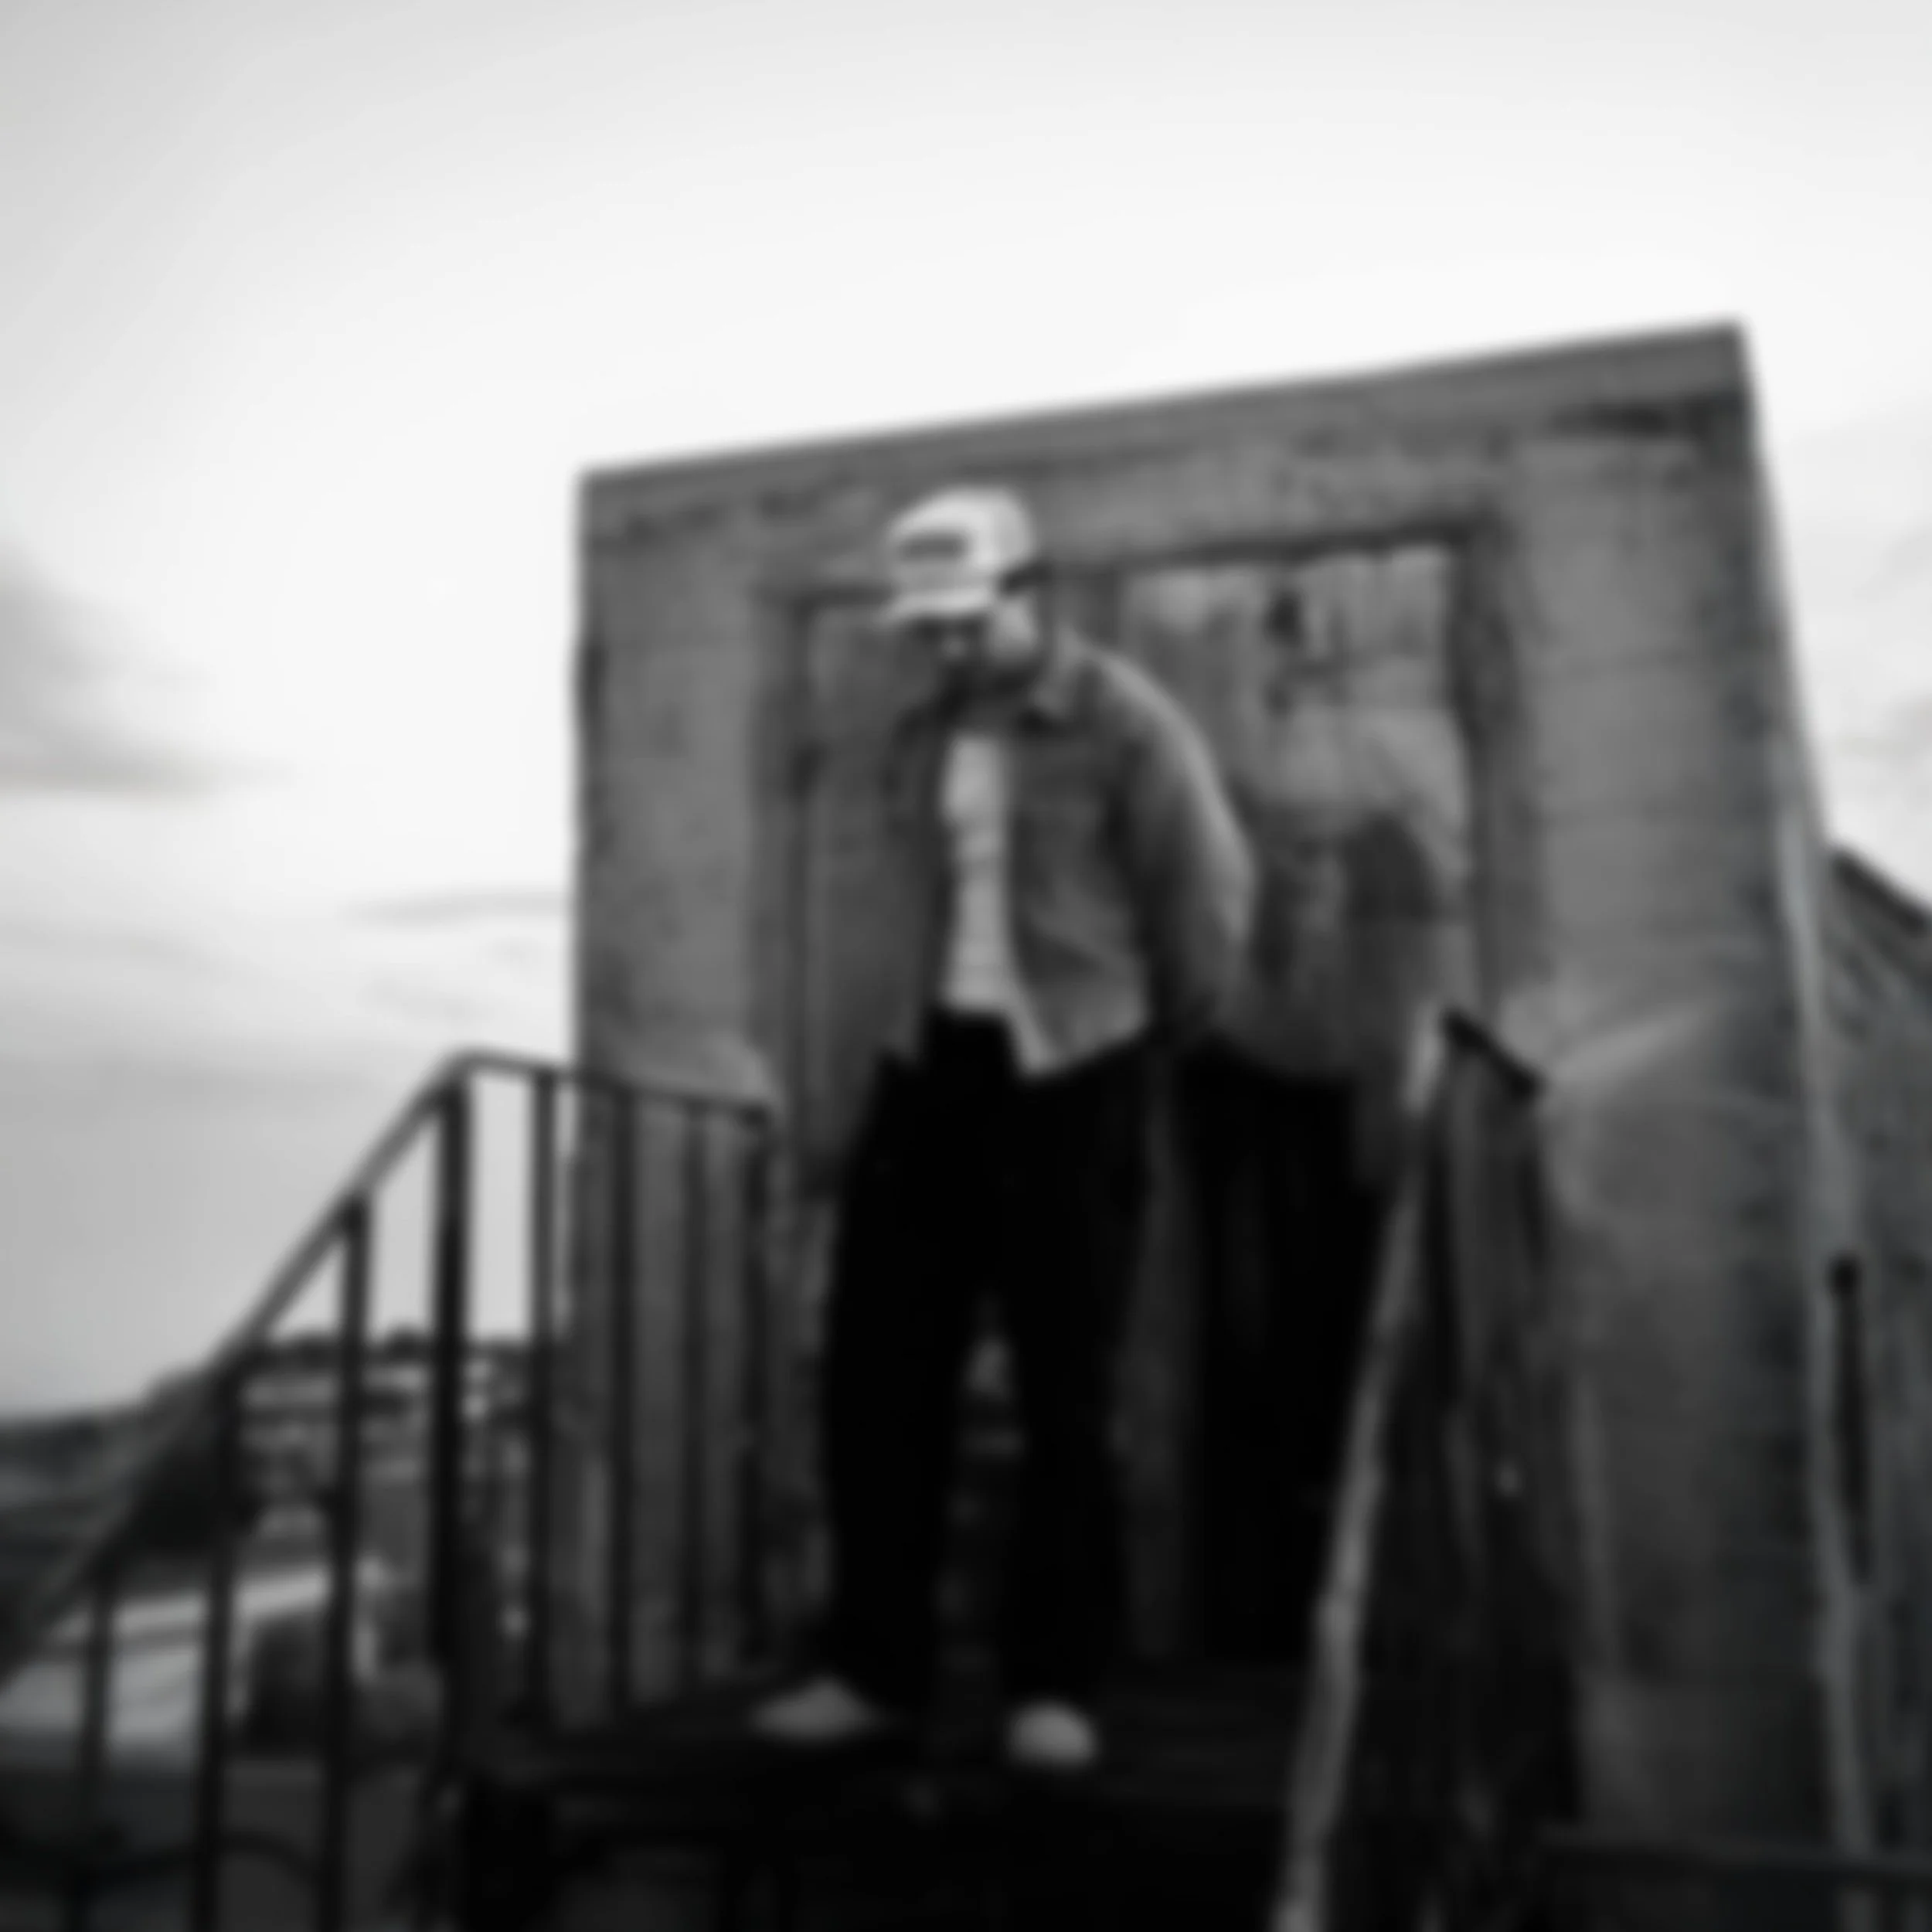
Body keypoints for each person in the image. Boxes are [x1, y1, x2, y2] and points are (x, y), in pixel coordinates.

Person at [751, 485, 1255, 1774]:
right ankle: (875, 1671)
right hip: (930, 1069)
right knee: (876, 1376)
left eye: (969, 622)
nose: (949, 648)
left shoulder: (1129, 726)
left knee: (1066, 1389)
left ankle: (1056, 1687)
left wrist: (1135, 1045)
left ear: (1036, 591)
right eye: (930, 628)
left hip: (1076, 1073)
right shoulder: (917, 731)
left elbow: (1205, 909)